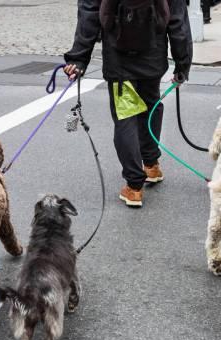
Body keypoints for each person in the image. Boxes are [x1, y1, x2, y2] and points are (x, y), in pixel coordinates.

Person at [63, 0, 193, 208]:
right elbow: (178, 20)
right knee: (151, 106)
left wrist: (79, 59)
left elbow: (89, 11)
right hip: (153, 52)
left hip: (118, 58)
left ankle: (134, 187)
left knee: (126, 116)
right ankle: (151, 165)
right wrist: (182, 64)